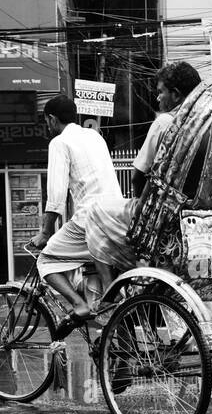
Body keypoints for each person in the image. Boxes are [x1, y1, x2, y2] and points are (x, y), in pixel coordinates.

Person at [85, 61, 203, 283]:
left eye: (161, 92)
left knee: (94, 213)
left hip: (159, 215)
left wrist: (141, 203)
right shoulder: (206, 125)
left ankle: (111, 292)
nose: (157, 99)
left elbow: (138, 174)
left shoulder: (165, 123)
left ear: (176, 95)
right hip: (195, 212)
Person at [29, 95, 123, 323]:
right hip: (117, 215)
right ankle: (113, 340)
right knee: (102, 281)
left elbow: (56, 195)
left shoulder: (59, 143)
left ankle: (78, 304)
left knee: (47, 261)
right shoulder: (94, 136)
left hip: (92, 219)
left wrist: (45, 232)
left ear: (51, 119)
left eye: (46, 122)